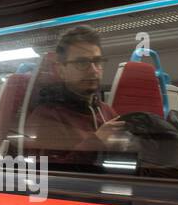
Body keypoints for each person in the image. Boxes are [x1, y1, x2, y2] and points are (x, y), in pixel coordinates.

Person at [23, 25, 127, 158]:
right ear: (62, 70)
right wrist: (97, 142)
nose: (94, 70)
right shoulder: (46, 117)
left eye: (97, 61)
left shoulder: (107, 111)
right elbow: (52, 175)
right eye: (82, 63)